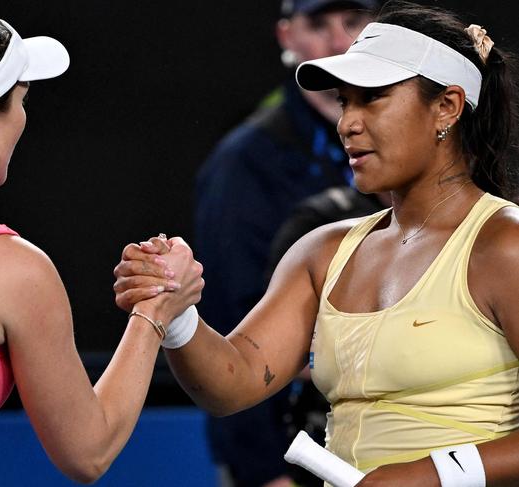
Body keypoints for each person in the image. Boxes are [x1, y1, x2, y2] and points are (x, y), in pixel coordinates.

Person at [114, 1, 519, 486]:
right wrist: (175, 312)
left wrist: (434, 474)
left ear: (447, 107)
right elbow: (232, 381)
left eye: (372, 98)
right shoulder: (322, 252)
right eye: (345, 100)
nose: (347, 122)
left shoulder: (505, 245)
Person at [0, 8, 203, 487]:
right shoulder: (10, 268)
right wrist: (156, 311)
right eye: (21, 100)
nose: (23, 118)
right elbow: (87, 451)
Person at [194, 1, 376, 485]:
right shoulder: (244, 164)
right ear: (286, 34)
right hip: (289, 452)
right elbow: (231, 331)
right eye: (318, 24)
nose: (340, 43)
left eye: (354, 21)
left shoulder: (403, 148)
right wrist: (267, 470)